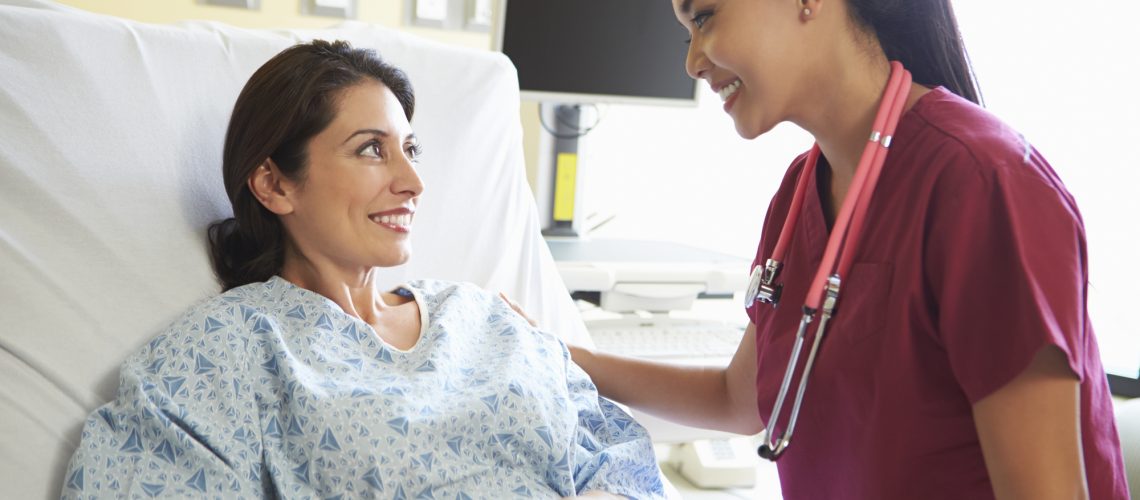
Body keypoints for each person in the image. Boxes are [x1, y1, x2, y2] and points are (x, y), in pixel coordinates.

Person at [567, 1, 1129, 499]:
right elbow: (738, 399)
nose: (692, 62)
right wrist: (568, 360)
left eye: (705, 17)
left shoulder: (984, 183)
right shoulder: (799, 190)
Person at [61, 40, 665, 499]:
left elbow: (616, 456)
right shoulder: (222, 355)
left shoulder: (487, 317)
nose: (413, 182)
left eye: (410, 149)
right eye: (371, 149)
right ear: (273, 183)